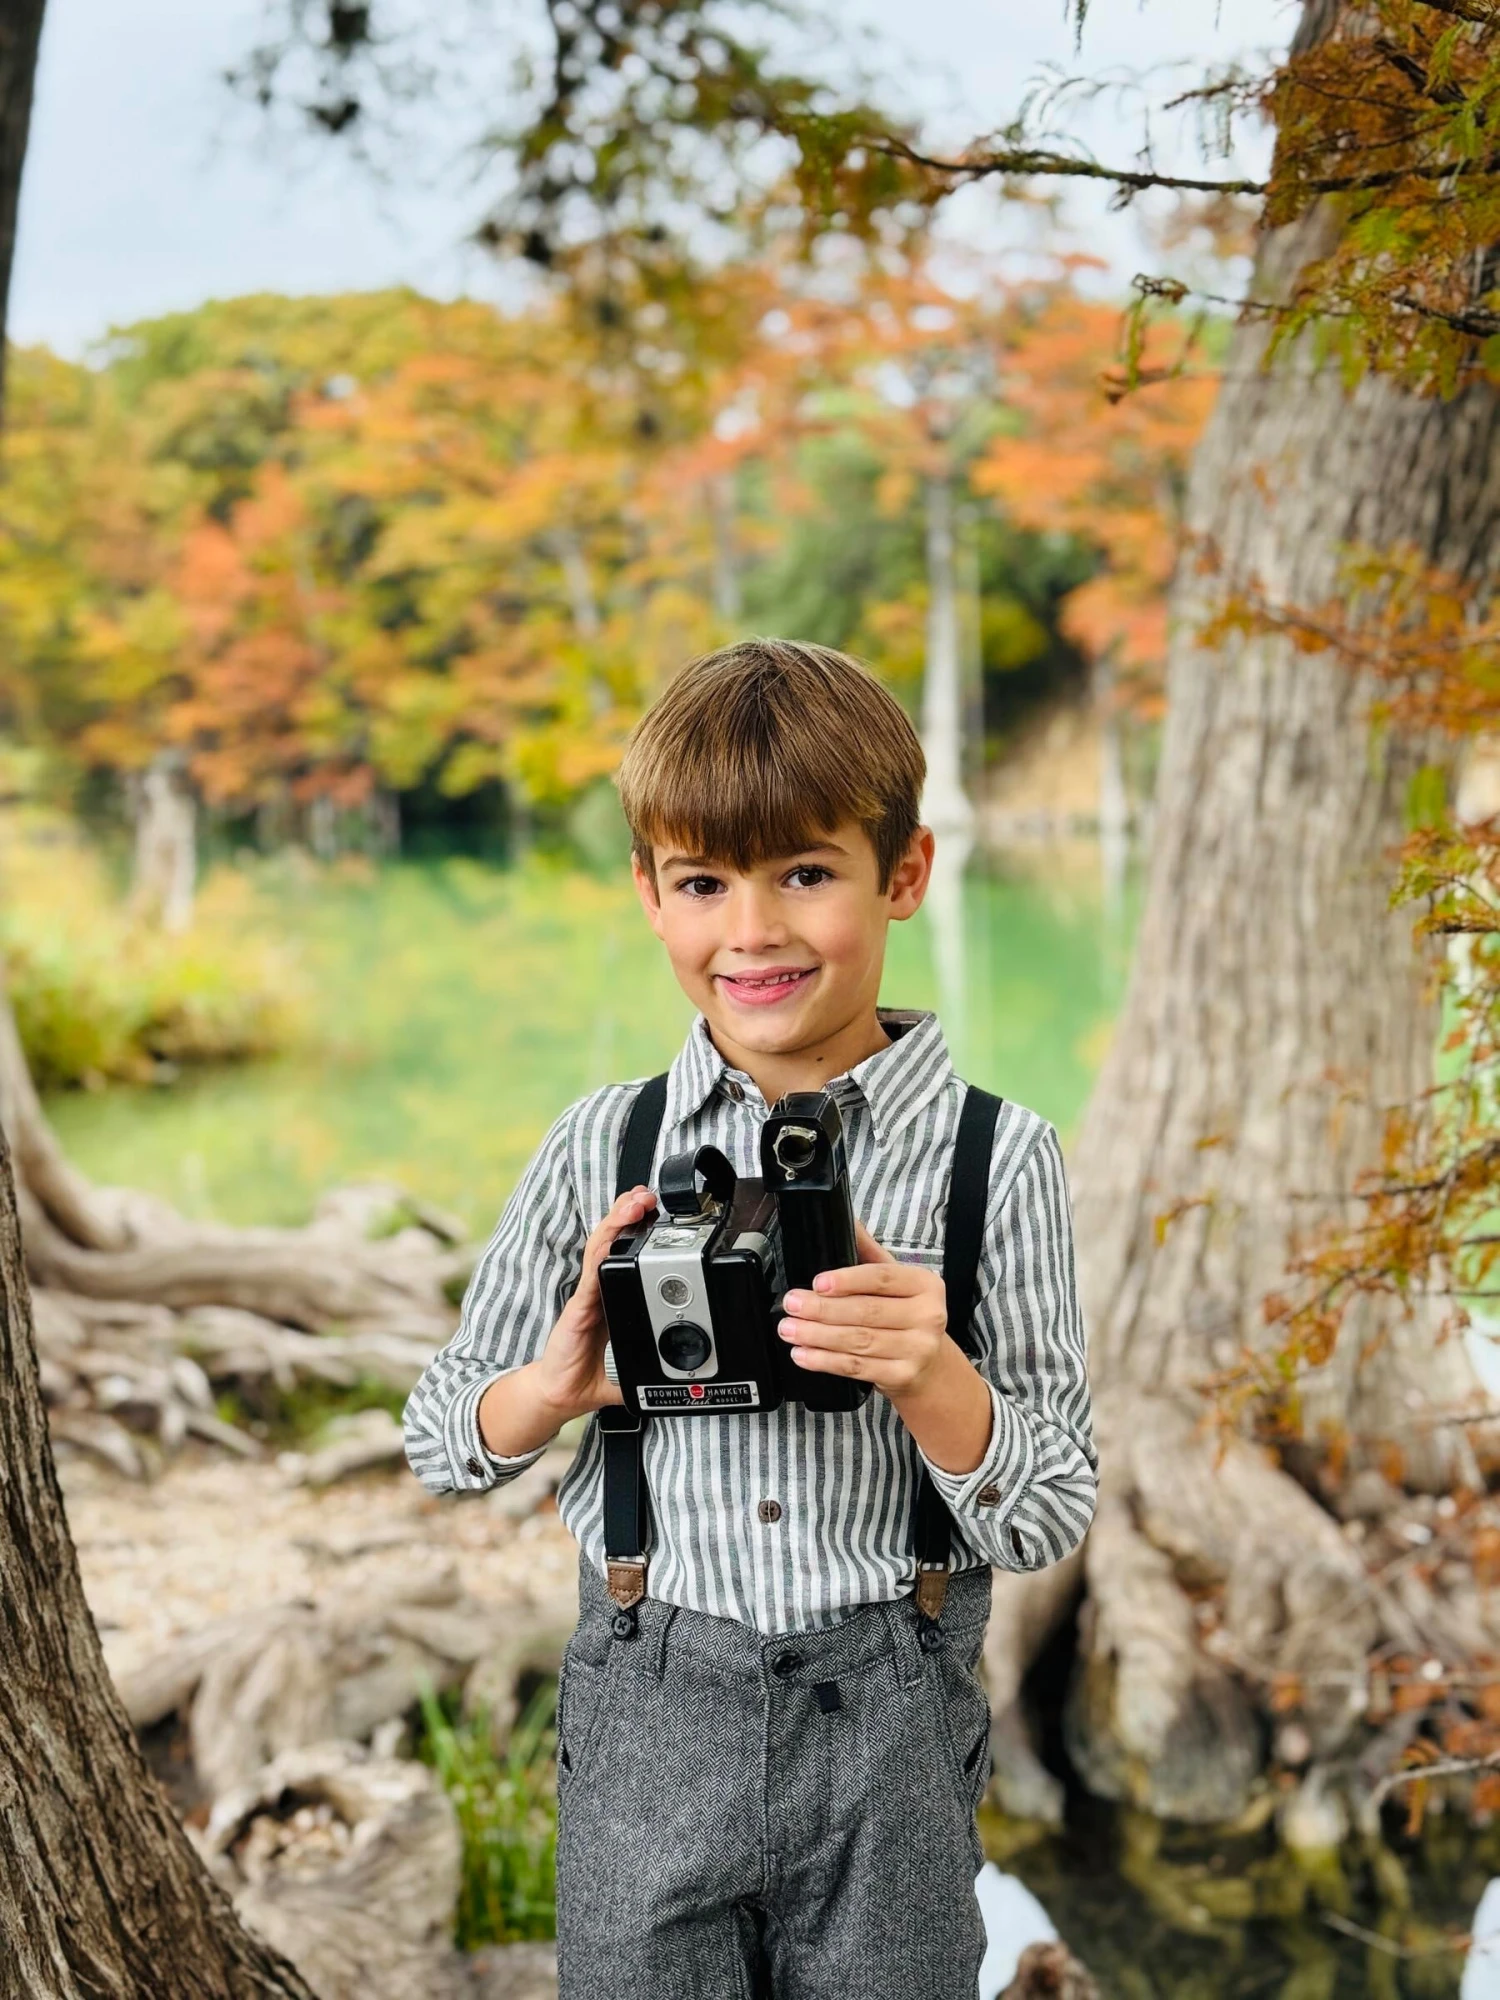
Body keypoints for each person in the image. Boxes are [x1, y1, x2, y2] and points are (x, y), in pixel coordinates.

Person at [403, 637, 1097, 1999]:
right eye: (705, 883)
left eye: (807, 874)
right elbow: (438, 1439)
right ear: (651, 897)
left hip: (890, 1716)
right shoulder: (603, 1142)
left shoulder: (995, 1159)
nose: (755, 932)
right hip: (650, 1696)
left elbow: (1050, 1512)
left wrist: (933, 1378)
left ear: (903, 875)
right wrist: (547, 1387)